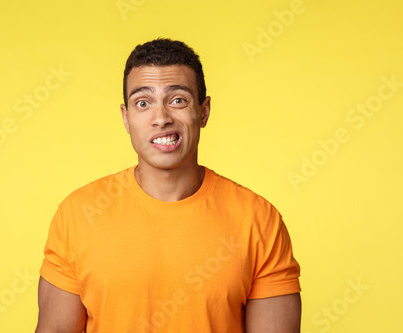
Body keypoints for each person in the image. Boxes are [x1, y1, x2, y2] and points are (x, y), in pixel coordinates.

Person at [35, 38, 301, 333]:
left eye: (178, 100)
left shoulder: (259, 220)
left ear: (204, 111)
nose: (161, 118)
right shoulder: (77, 214)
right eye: (143, 103)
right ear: (126, 118)